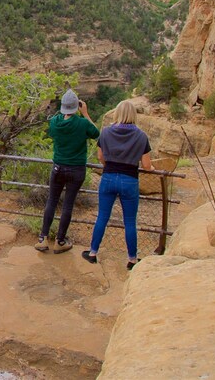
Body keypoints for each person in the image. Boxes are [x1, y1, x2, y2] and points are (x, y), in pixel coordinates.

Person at [81, 101, 155, 270]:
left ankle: (92, 253)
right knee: (129, 221)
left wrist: (111, 164)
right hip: (129, 180)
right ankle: (132, 259)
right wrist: (153, 168)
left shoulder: (106, 132)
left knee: (102, 217)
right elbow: (146, 164)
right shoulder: (141, 136)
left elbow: (100, 157)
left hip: (108, 177)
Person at [35, 90, 99, 254]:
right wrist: (85, 113)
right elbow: (96, 133)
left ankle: (42, 238)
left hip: (57, 168)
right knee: (67, 205)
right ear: (76, 106)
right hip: (76, 169)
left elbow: (54, 126)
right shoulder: (82, 123)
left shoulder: (55, 122)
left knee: (52, 201)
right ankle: (60, 241)